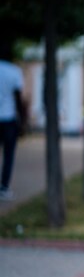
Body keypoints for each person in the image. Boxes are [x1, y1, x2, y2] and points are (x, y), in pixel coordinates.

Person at [0, 58, 25, 201]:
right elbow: (17, 97)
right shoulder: (14, 71)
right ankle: (4, 186)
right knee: (8, 155)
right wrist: (22, 121)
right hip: (8, 118)